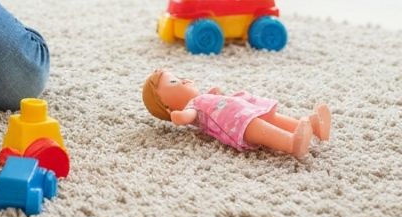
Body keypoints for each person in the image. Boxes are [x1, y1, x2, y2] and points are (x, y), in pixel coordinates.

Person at [142, 70, 331, 159]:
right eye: (175, 82)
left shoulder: (201, 98)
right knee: (261, 128)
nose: (185, 80)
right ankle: (291, 143)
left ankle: (314, 128)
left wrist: (214, 93)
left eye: (181, 77)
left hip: (244, 109)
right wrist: (178, 116)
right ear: (168, 107)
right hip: (236, 123)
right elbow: (187, 117)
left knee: (271, 117)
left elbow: (215, 103)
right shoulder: (191, 106)